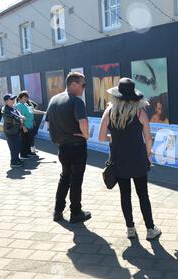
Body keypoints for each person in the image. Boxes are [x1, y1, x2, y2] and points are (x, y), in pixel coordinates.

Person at [99, 78, 161, 241]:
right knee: (143, 195)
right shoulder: (140, 112)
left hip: (119, 161)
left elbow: (100, 137)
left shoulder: (109, 112)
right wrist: (148, 155)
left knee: (124, 195)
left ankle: (130, 229)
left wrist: (114, 137)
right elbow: (148, 138)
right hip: (139, 160)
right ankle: (150, 229)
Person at [46, 72, 91, 224]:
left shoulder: (53, 100)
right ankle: (76, 212)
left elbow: (48, 124)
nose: (84, 88)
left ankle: (57, 211)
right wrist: (86, 135)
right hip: (77, 147)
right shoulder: (77, 102)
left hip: (62, 148)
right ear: (73, 84)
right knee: (76, 180)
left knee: (65, 177)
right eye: (83, 84)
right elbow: (83, 123)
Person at [16, 91, 46, 159]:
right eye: (24, 97)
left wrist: (44, 113)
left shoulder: (26, 104)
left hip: (30, 126)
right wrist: (23, 126)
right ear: (20, 98)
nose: (26, 99)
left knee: (28, 140)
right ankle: (23, 154)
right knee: (24, 141)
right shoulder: (18, 105)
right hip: (24, 127)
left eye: (27, 97)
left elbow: (33, 111)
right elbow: (19, 117)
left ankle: (28, 152)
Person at [1, 94, 25, 168]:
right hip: (10, 131)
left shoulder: (13, 107)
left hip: (16, 130)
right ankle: (13, 162)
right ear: (6, 101)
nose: (13, 100)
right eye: (11, 99)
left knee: (17, 146)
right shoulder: (5, 109)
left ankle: (17, 159)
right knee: (13, 147)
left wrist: (20, 117)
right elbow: (10, 120)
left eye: (14, 99)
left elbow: (18, 113)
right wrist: (20, 118)